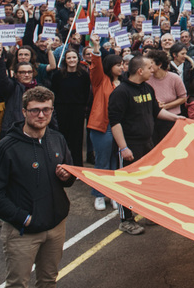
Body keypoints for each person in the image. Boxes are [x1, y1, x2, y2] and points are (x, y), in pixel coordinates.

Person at [0, 86, 76, 288]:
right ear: (24, 112)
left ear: (52, 110)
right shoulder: (6, 147)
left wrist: (67, 177)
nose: (41, 115)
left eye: (46, 109)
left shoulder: (57, 139)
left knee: (49, 280)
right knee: (18, 283)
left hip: (56, 227)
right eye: (35, 110)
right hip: (22, 232)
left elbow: (70, 178)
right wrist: (23, 218)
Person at [108, 55, 181, 235]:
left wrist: (177, 119)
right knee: (126, 182)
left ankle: (148, 213)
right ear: (140, 71)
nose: (153, 70)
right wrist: (123, 148)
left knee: (148, 179)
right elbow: (115, 122)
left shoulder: (148, 88)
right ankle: (126, 220)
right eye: (149, 67)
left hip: (147, 143)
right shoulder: (121, 92)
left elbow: (156, 111)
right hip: (130, 145)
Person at [88, 34, 123, 211]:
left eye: (122, 64)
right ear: (110, 66)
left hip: (119, 127)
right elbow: (95, 67)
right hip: (102, 126)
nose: (121, 67)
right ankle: (99, 195)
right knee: (102, 162)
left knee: (115, 161)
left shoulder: (124, 83)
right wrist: (96, 47)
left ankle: (112, 194)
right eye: (118, 65)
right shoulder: (101, 81)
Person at [49, 49, 91, 168]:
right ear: (65, 60)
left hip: (78, 109)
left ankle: (77, 165)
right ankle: (62, 163)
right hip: (62, 109)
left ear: (78, 59)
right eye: (69, 58)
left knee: (77, 138)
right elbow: (54, 91)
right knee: (62, 136)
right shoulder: (58, 75)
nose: (72, 60)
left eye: (74, 57)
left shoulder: (84, 75)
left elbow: (86, 92)